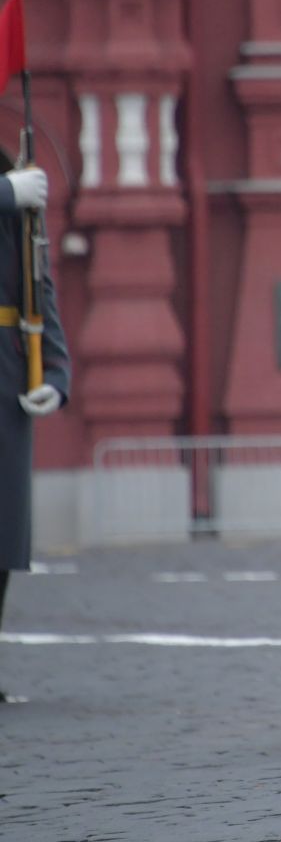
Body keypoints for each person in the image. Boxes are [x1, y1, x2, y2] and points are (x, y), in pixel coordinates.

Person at [0, 156, 69, 703]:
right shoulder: (10, 187)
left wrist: (58, 372)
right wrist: (4, 192)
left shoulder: (14, 178)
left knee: (3, 533)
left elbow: (35, 279)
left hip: (7, 369)